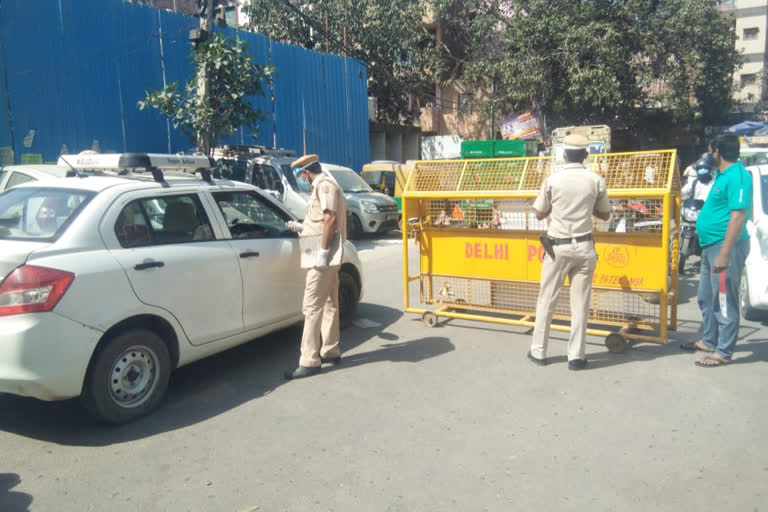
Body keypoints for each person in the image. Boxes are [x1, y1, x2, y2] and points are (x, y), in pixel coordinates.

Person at [528, 134, 612, 370]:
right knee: (581, 303)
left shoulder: (553, 180)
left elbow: (538, 213)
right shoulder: (596, 180)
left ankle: (539, 352)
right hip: (585, 248)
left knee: (547, 299)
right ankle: (576, 356)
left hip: (557, 248)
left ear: (564, 155)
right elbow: (605, 214)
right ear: (586, 155)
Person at [681, 133, 752, 366]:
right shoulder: (722, 175)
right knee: (705, 296)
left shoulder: (738, 176)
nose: (709, 154)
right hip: (709, 247)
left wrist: (724, 254)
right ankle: (709, 340)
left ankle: (723, 351)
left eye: (711, 150)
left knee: (723, 299)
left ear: (717, 152)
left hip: (725, 248)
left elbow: (738, 215)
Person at [284, 154, 347, 379]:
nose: (301, 179)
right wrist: (302, 227)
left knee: (311, 307)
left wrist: (321, 252)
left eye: (300, 175)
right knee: (330, 303)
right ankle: (330, 350)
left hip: (323, 257)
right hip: (327, 254)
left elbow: (330, 218)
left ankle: (309, 360)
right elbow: (320, 221)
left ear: (305, 172)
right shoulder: (321, 186)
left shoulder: (325, 185)